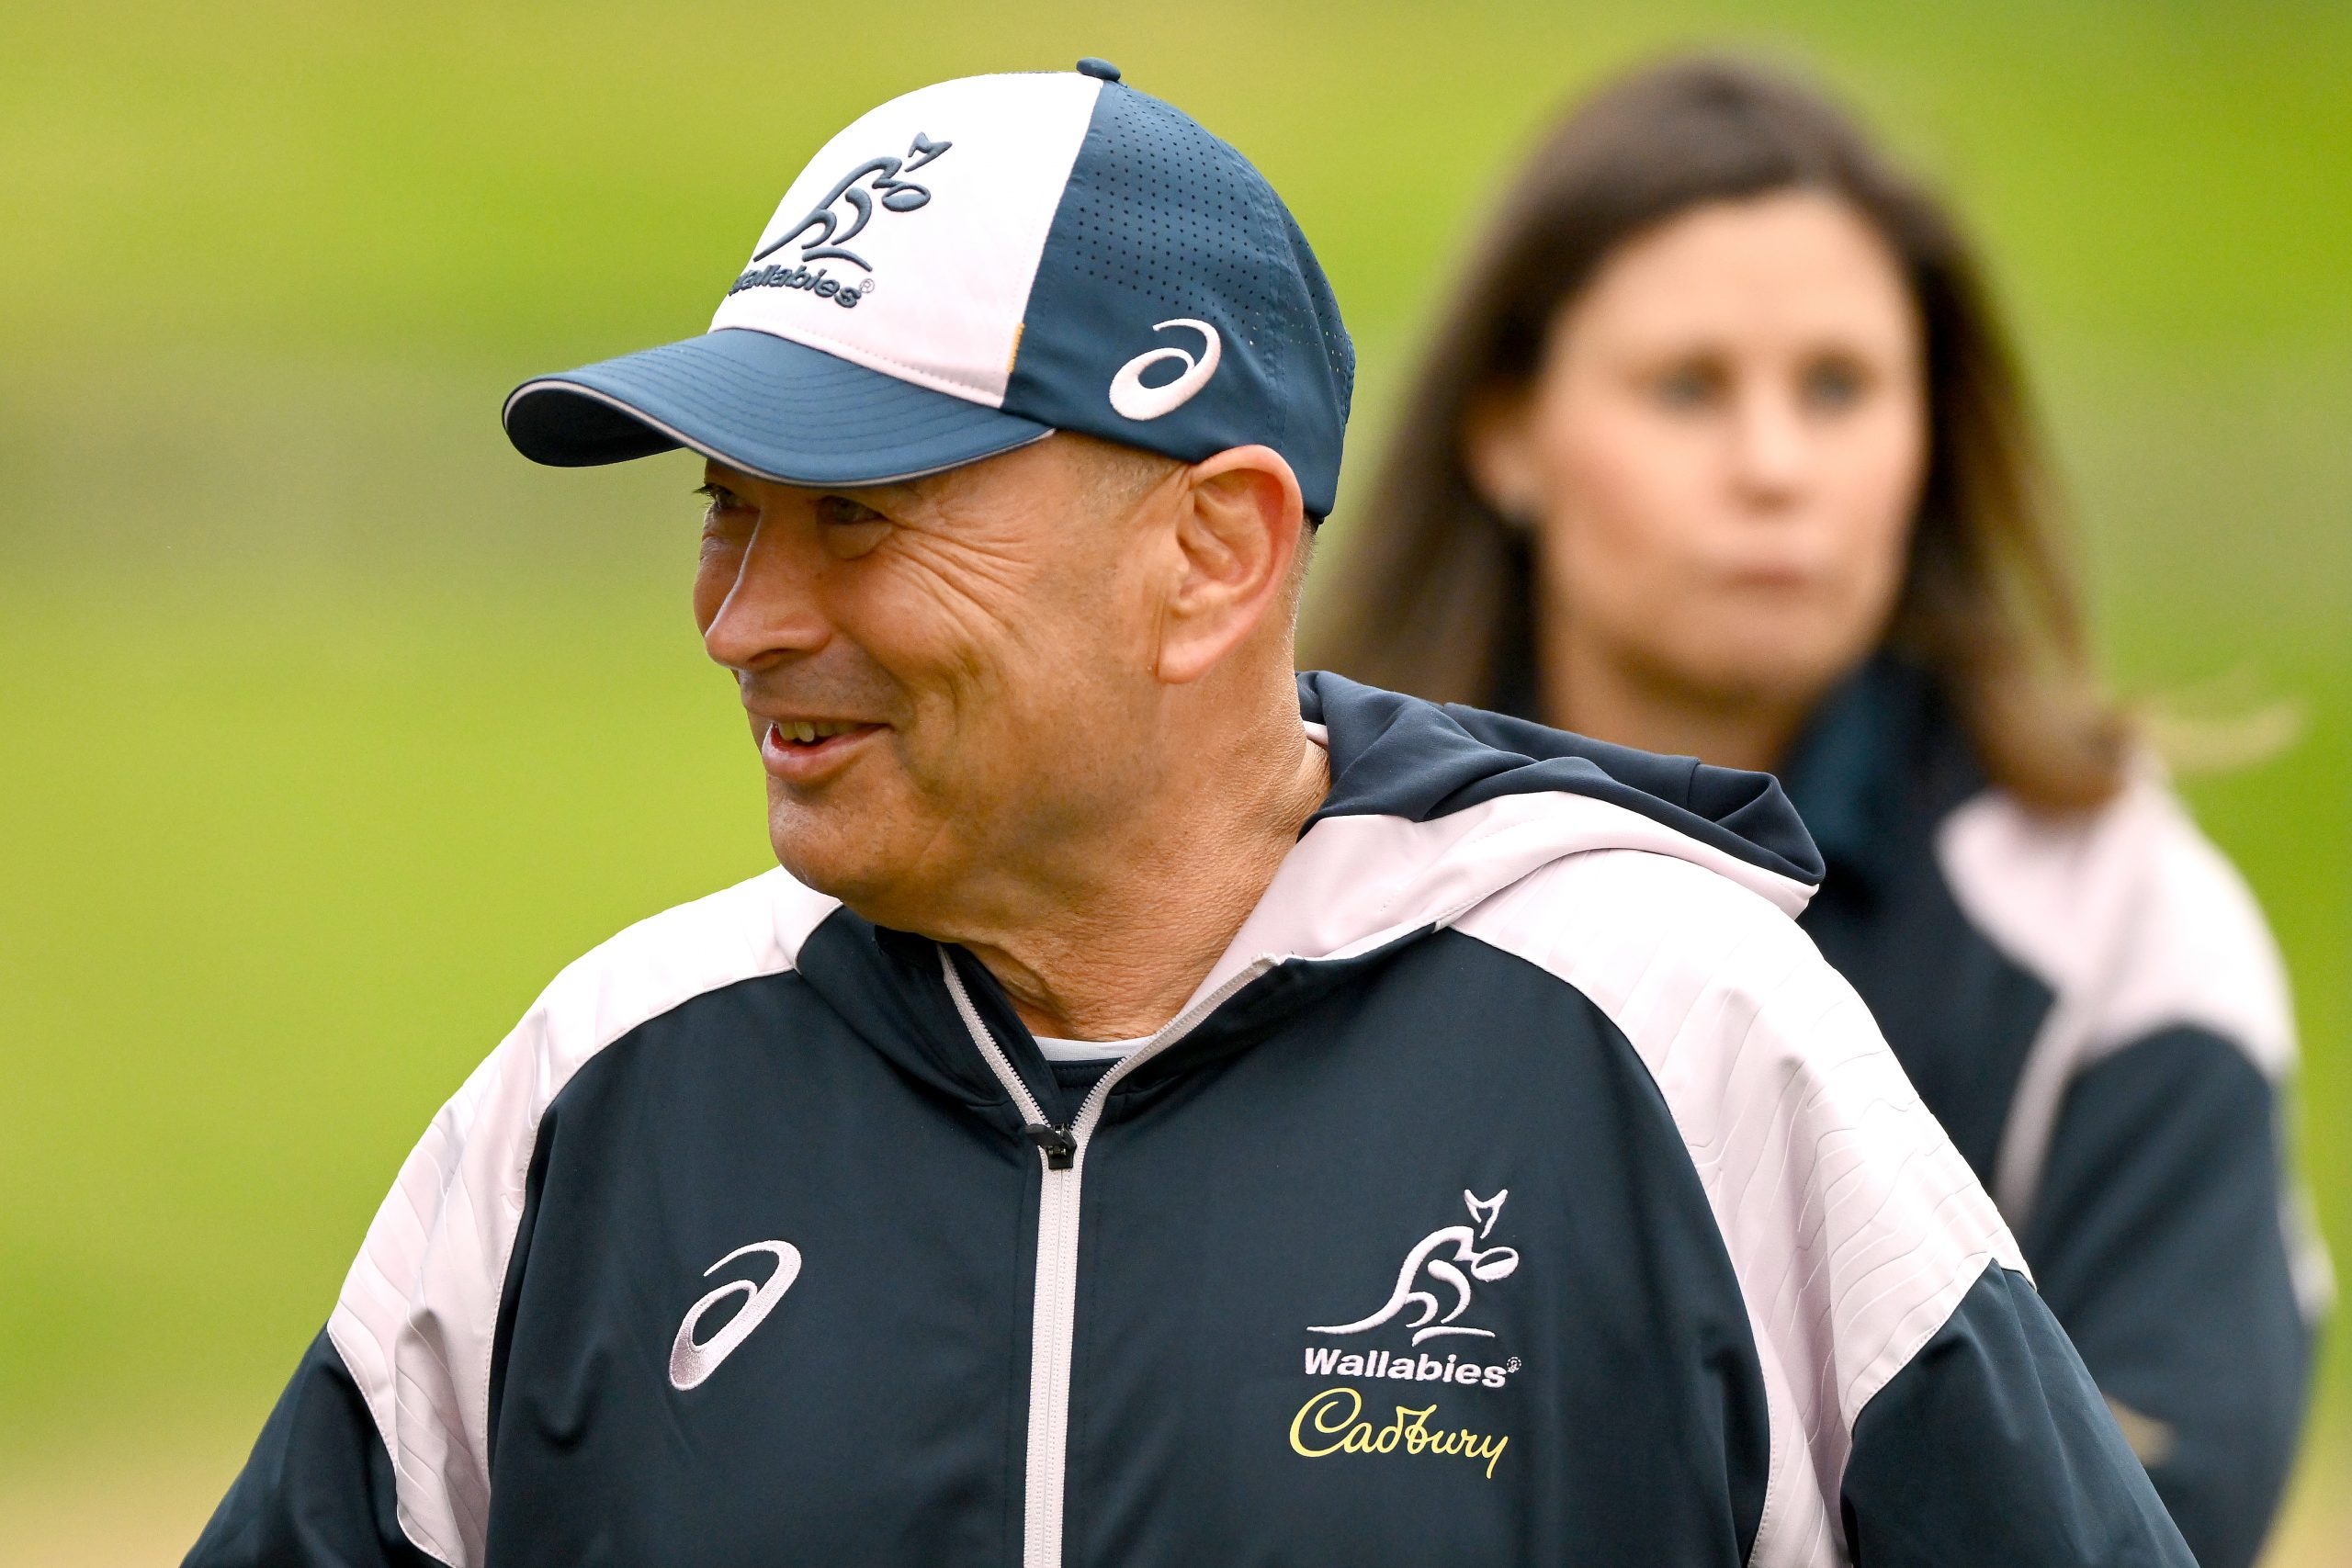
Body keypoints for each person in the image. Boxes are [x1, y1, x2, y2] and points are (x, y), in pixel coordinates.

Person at [187, 60, 2194, 1568]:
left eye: (859, 517)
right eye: (724, 509)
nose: (741, 617)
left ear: (1212, 554)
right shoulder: (598, 1085)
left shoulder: (1682, 1037)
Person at [1311, 54, 2328, 1568]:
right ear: (1508, 433)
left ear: (1928, 440)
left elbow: (2159, 1513)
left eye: (1840, 388)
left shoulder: (2120, 930)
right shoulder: (1287, 862)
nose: (1776, 467)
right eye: (1688, 388)